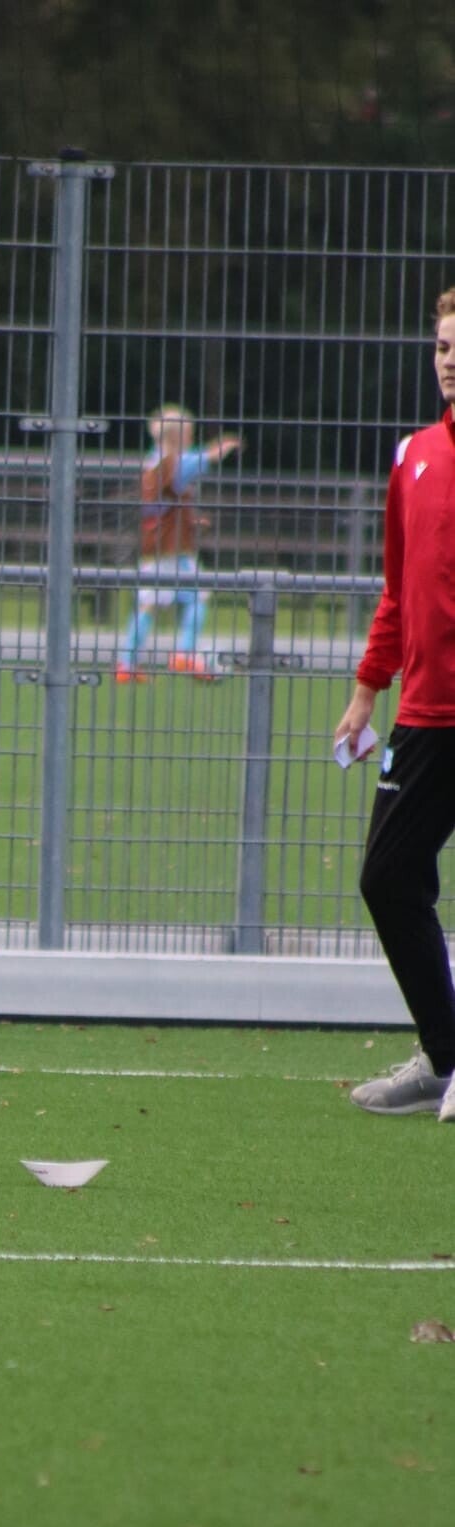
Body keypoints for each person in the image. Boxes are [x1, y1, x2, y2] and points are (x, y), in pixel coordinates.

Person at [339, 287, 455, 1118]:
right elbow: (395, 589)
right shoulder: (413, 456)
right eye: (443, 346)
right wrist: (364, 691)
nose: (450, 360)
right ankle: (444, 1056)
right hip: (425, 717)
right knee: (387, 878)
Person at [116, 405, 241, 683]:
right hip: (172, 548)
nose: (191, 440)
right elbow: (201, 460)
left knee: (147, 604)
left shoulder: (152, 462)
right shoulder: (172, 463)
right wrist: (224, 447)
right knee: (198, 595)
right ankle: (184, 653)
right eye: (188, 434)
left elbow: (164, 506)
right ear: (176, 436)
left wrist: (189, 521)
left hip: (154, 546)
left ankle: (127, 663)